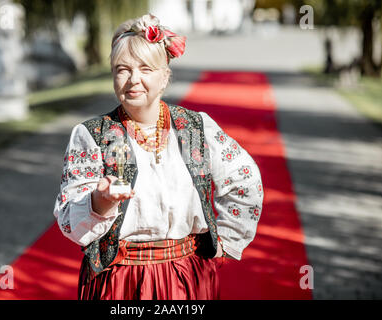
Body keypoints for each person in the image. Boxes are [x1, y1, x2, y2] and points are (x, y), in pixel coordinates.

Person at [53, 13, 264, 300]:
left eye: (145, 69)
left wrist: (225, 242)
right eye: (122, 69)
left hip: (185, 276)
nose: (133, 80)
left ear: (165, 76)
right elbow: (69, 219)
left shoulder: (196, 127)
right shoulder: (91, 135)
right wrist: (98, 203)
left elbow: (245, 179)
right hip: (118, 279)